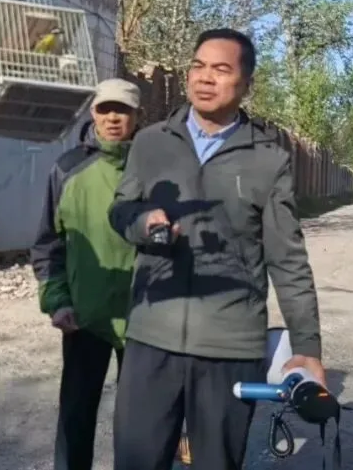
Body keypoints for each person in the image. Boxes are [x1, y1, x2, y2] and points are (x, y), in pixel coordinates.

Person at [108, 28, 325, 470]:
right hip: (151, 337)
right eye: (198, 66)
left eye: (221, 70)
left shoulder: (268, 159)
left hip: (230, 349)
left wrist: (307, 347)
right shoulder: (151, 142)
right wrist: (141, 223)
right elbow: (120, 208)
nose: (205, 78)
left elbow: (287, 260)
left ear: (246, 84)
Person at [31, 78, 143, 470]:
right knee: (76, 418)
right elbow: (48, 245)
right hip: (84, 317)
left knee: (140, 426)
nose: (113, 118)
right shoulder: (67, 169)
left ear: (138, 116)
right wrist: (57, 301)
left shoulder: (155, 170)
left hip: (144, 321)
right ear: (92, 112)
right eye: (105, 109)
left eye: (122, 110)